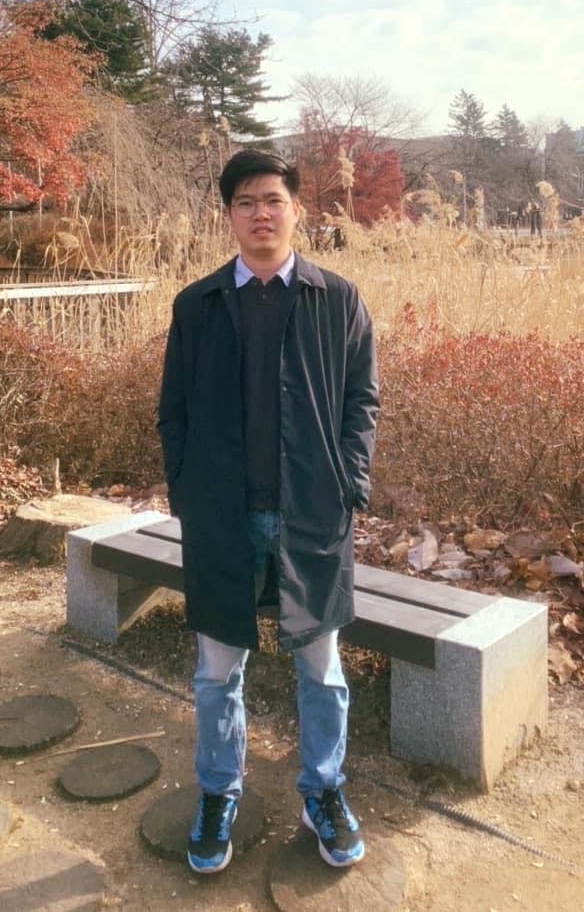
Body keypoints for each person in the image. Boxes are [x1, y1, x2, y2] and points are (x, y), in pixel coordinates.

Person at [157, 150, 378, 874]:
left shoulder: (336, 298)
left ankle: (324, 790)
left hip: (312, 513)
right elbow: (173, 409)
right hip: (222, 516)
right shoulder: (197, 305)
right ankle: (219, 791)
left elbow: (361, 401)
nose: (261, 213)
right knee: (217, 670)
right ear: (229, 215)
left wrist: (350, 482)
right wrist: (186, 492)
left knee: (323, 668)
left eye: (273, 199)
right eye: (246, 201)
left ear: (296, 210)